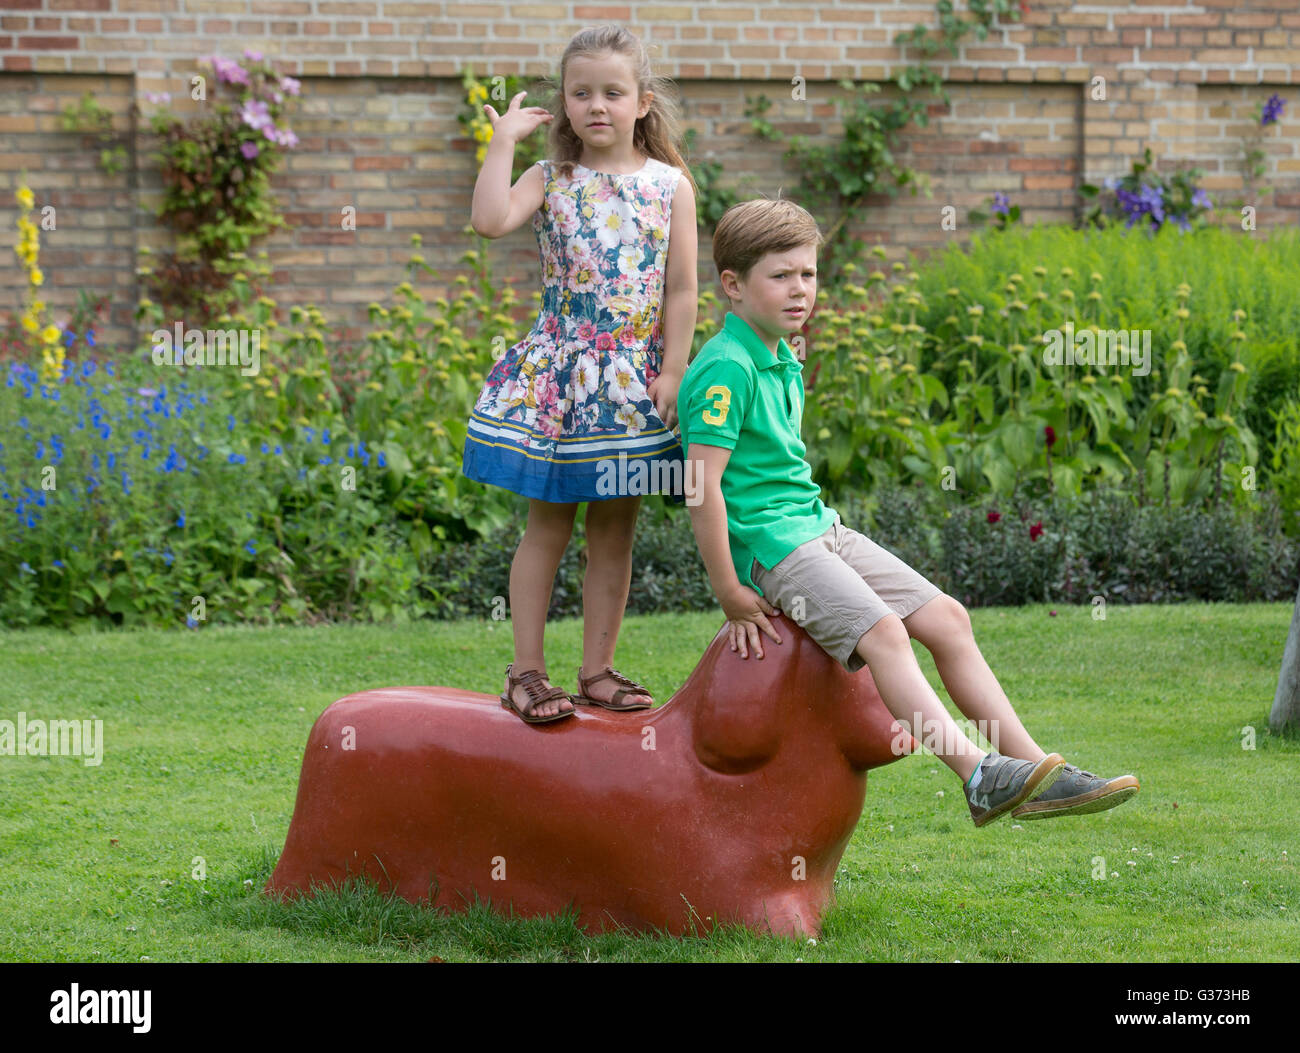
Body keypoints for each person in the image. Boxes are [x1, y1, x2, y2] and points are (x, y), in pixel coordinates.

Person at [676, 197, 1140, 824]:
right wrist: (728, 588)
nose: (800, 290)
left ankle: (1033, 770)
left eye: (808, 274)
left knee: (948, 619)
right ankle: (977, 776)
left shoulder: (782, 351)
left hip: (817, 526)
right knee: (886, 634)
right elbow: (701, 486)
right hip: (771, 550)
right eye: (780, 276)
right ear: (732, 285)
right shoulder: (725, 370)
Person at [464, 26, 699, 724]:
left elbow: (681, 288)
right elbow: (488, 220)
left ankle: (596, 669)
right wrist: (502, 141)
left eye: (612, 92)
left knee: (615, 534)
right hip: (561, 382)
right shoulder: (551, 178)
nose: (597, 105)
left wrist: (675, 368)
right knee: (548, 527)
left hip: (633, 385)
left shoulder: (670, 186)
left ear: (642, 103)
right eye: (581, 92)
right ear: (564, 105)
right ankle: (526, 672)